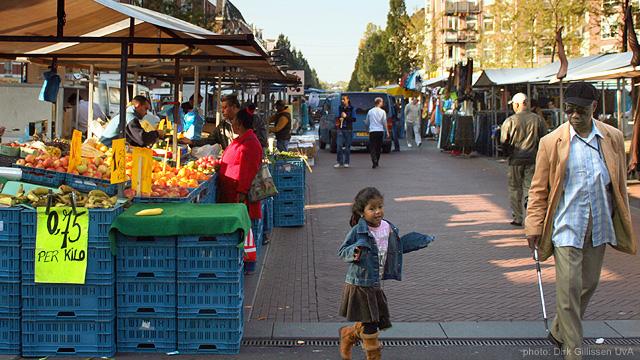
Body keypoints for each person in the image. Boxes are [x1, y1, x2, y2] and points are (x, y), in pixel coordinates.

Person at [525, 82, 636, 360]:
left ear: (594, 108)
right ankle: (573, 352)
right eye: (569, 110)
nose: (574, 115)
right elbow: (538, 190)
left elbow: (618, 184)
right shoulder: (551, 142)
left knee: (589, 285)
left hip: (598, 226)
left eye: (581, 110)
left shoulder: (611, 137)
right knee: (569, 291)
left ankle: (558, 330)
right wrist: (534, 226)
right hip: (566, 228)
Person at [337, 187, 433, 360]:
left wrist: (417, 242)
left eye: (380, 206)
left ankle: (348, 335)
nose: (377, 211)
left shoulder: (388, 228)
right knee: (371, 325)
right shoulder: (358, 231)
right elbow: (343, 251)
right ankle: (373, 356)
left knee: (372, 321)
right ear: (362, 212)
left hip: (376, 283)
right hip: (360, 283)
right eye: (372, 209)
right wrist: (356, 251)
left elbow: (396, 248)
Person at [500, 93, 547, 227]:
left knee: (515, 189)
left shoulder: (510, 121)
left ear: (517, 104)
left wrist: (508, 154)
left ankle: (517, 217)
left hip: (515, 159)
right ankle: (531, 215)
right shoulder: (537, 119)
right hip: (533, 158)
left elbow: (504, 141)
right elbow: (545, 138)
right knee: (530, 188)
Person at [217, 107, 263, 226]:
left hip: (240, 199)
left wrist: (241, 195)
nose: (231, 123)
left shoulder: (250, 143)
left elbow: (248, 172)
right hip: (230, 195)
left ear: (239, 123)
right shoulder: (241, 140)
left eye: (233, 120)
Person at [364, 97, 388, 168]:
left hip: (372, 131)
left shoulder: (370, 111)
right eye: (382, 102)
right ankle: (377, 160)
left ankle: (374, 161)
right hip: (380, 131)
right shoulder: (383, 112)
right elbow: (384, 122)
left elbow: (367, 122)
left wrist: (366, 129)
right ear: (379, 102)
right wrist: (387, 131)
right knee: (378, 147)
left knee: (372, 147)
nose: (382, 103)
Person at [335, 95, 355, 168]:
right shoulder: (340, 108)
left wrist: (346, 117)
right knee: (339, 146)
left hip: (348, 129)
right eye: (342, 99)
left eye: (344, 99)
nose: (342, 101)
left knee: (347, 147)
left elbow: (354, 119)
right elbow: (338, 117)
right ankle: (339, 162)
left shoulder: (352, 108)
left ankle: (346, 162)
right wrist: (339, 120)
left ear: (348, 100)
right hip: (340, 129)